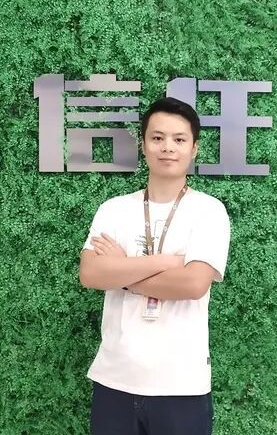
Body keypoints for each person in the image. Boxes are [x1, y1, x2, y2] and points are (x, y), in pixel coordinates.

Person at [78, 97, 231, 435]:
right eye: (157, 137)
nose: (168, 147)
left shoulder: (209, 211)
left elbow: (193, 284)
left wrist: (122, 271)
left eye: (179, 139)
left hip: (181, 385)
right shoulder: (114, 209)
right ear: (143, 144)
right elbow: (90, 273)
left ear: (194, 148)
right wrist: (164, 263)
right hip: (115, 380)